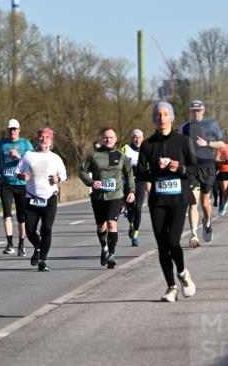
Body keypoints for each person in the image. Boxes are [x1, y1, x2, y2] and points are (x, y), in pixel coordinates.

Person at [136, 101, 197, 302]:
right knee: (162, 245)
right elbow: (139, 174)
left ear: (171, 117)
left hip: (179, 199)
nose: (161, 118)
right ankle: (171, 287)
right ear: (154, 119)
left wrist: (178, 169)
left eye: (165, 114)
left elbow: (196, 170)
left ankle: (182, 272)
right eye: (158, 115)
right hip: (158, 201)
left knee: (173, 241)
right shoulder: (147, 145)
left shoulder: (183, 141)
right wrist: (156, 169)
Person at [79, 128, 135, 269]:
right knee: (101, 225)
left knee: (112, 223)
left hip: (116, 196)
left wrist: (131, 191)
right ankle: (104, 248)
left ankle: (112, 254)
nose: (108, 140)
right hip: (98, 197)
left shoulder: (122, 156)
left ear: (115, 139)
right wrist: (91, 182)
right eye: (105, 138)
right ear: (101, 139)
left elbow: (129, 174)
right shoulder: (93, 155)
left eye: (111, 137)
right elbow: (81, 172)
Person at [15, 128, 67, 271]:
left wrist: (58, 178)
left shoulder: (55, 158)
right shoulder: (28, 155)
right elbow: (17, 171)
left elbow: (64, 174)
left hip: (50, 198)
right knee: (30, 230)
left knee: (47, 229)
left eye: (47, 137)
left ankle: (43, 260)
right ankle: (37, 247)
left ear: (51, 141)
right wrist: (21, 176)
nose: (44, 139)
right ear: (37, 139)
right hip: (31, 197)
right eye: (41, 137)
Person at [180, 100, 222, 247]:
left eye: (198, 110)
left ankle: (207, 220)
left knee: (205, 203)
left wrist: (207, 144)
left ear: (203, 110)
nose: (195, 112)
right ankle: (193, 235)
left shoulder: (211, 125)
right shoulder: (184, 127)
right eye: (193, 110)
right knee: (192, 203)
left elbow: (222, 144)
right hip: (191, 168)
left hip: (207, 167)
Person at [0, 119, 34, 256]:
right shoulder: (2, 143)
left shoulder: (25, 143)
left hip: (22, 185)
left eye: (15, 129)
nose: (12, 132)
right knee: (7, 215)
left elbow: (32, 161)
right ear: (7, 131)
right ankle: (9, 244)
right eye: (10, 129)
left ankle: (21, 244)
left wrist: (19, 156)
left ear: (19, 130)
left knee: (21, 217)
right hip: (6, 183)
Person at [122, 128, 146, 246]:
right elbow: (120, 163)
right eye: (135, 137)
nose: (137, 139)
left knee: (138, 208)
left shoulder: (146, 149)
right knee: (130, 209)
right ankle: (131, 224)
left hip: (141, 182)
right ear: (132, 138)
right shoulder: (125, 148)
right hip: (128, 182)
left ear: (143, 138)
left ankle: (135, 235)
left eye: (140, 137)